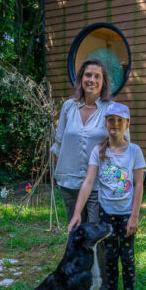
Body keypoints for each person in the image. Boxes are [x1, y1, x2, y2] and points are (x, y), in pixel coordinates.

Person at [68, 102, 145, 290]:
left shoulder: (134, 151)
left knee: (127, 257)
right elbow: (89, 181)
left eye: (120, 121)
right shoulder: (99, 152)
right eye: (111, 120)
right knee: (110, 256)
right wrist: (76, 214)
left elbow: (139, 184)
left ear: (127, 124)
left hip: (126, 214)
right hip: (106, 215)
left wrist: (134, 216)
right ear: (106, 123)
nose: (115, 124)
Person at [50, 58, 112, 226]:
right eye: (88, 75)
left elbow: (122, 146)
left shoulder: (111, 109)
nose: (92, 80)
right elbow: (59, 144)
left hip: (98, 183)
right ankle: (76, 254)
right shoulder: (69, 107)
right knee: (76, 231)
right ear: (81, 79)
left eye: (97, 76)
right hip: (69, 182)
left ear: (103, 82)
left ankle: (97, 255)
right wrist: (60, 173)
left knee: (96, 233)